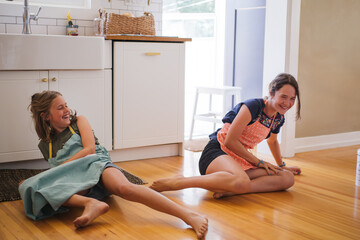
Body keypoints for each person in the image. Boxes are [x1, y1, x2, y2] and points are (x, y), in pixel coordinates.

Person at [19, 91, 208, 239]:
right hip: (78, 183)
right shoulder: (46, 145)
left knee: (125, 188)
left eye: (66, 105)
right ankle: (90, 203)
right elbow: (60, 177)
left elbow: (90, 150)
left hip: (96, 166)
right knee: (33, 187)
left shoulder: (79, 122)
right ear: (45, 116)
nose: (66, 110)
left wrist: (54, 173)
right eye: (60, 108)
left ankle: (189, 216)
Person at [151, 73, 302, 199]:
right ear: (271, 92)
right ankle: (180, 182)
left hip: (241, 159)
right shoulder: (253, 106)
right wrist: (258, 162)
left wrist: (282, 166)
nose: (287, 103)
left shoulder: (278, 118)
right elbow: (230, 141)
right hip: (218, 152)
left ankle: (234, 189)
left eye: (292, 99)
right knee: (242, 180)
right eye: (284, 97)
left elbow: (273, 141)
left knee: (287, 178)